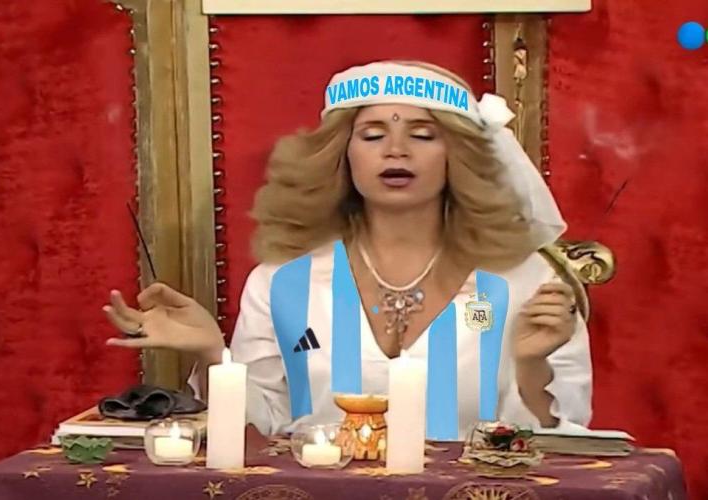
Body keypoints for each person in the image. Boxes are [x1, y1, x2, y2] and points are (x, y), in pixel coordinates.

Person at [103, 60, 592, 440]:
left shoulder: (526, 280)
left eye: (423, 135)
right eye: (373, 135)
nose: (396, 150)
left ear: (458, 156)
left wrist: (532, 369)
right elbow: (263, 428)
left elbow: (564, 444)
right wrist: (213, 354)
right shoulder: (283, 280)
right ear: (342, 155)